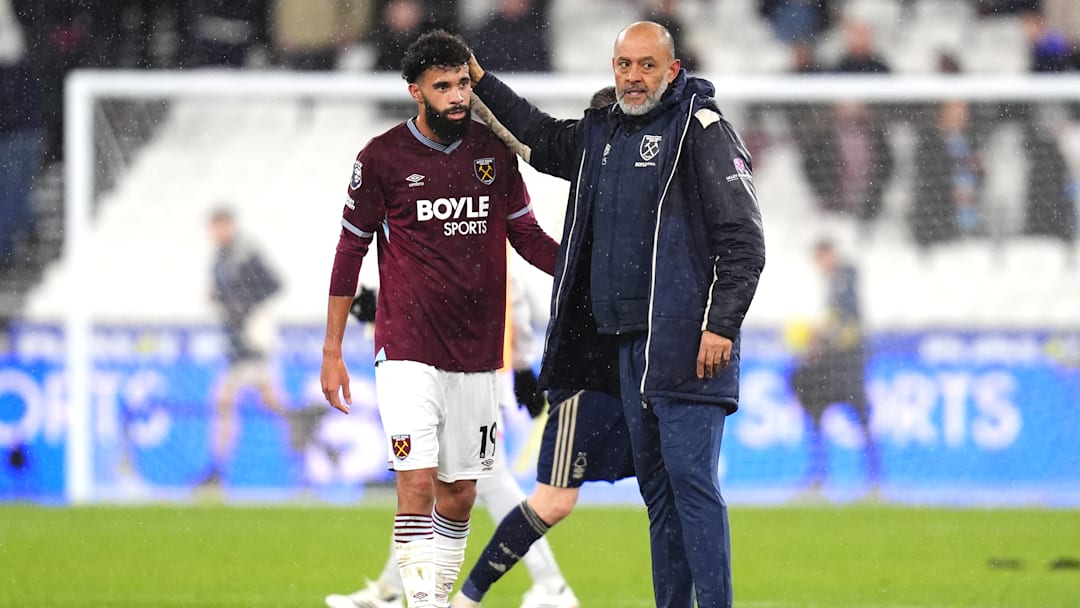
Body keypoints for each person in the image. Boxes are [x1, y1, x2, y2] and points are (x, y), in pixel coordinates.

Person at [465, 21, 766, 608]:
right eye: (624, 65)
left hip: (686, 343)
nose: (634, 76)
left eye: (647, 65)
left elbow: (744, 240)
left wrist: (721, 323)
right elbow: (537, 134)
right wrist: (479, 80)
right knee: (658, 492)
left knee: (692, 487)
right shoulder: (602, 133)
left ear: (672, 70)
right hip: (625, 349)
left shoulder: (700, 130)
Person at [319, 29, 559, 608]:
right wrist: (331, 352)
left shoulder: (493, 152)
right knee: (417, 485)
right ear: (415, 92)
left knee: (461, 494)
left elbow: (526, 236)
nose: (457, 96)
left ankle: (436, 597)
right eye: (443, 86)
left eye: (463, 84)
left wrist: (586, 272)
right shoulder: (380, 159)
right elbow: (349, 251)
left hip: (477, 356)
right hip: (404, 348)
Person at [450, 86, 631, 608]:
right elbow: (532, 136)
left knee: (674, 492)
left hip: (637, 365)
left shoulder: (645, 186)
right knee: (528, 493)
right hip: (586, 365)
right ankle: (472, 594)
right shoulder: (592, 174)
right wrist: (477, 97)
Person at [325, 275, 578, 608]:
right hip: (472, 373)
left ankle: (552, 586)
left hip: (469, 378)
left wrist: (387, 302)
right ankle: (390, 588)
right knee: (426, 485)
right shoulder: (486, 240)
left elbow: (488, 293)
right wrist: (520, 363)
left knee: (464, 484)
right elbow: (508, 296)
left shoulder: (467, 241)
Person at [202, 206, 287, 486]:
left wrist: (245, 302)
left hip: (252, 342)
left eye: (222, 225)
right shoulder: (221, 257)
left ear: (231, 225)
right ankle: (316, 448)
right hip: (238, 343)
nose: (218, 232)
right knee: (269, 402)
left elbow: (275, 284)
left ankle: (217, 469)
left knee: (225, 401)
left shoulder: (244, 252)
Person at [788, 239, 878, 496]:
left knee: (855, 416)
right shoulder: (838, 282)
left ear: (830, 255)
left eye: (822, 257)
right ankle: (827, 478)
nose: (820, 264)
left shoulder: (844, 278)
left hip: (847, 363)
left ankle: (867, 479)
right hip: (842, 362)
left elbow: (847, 322)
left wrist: (822, 335)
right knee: (846, 416)